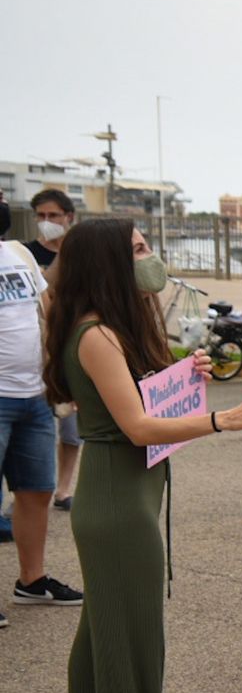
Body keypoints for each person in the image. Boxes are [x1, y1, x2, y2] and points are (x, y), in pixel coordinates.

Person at [43, 218, 242, 693]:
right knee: (132, 634)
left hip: (124, 491)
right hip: (118, 497)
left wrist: (180, 378)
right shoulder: (96, 334)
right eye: (140, 249)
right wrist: (223, 418)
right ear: (108, 264)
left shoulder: (108, 328)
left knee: (103, 627)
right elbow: (138, 426)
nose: (151, 257)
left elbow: (131, 400)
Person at [1, 223, 84, 631]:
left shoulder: (18, 252)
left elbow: (47, 306)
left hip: (34, 395)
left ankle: (31, 581)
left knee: (36, 491)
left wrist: (61, 373)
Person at [29, 190, 83, 511]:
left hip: (68, 348)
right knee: (36, 423)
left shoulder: (77, 256)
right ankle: (32, 491)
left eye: (53, 216)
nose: (47, 222)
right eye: (41, 216)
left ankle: (63, 489)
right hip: (36, 349)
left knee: (71, 427)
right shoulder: (24, 254)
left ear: (69, 218)